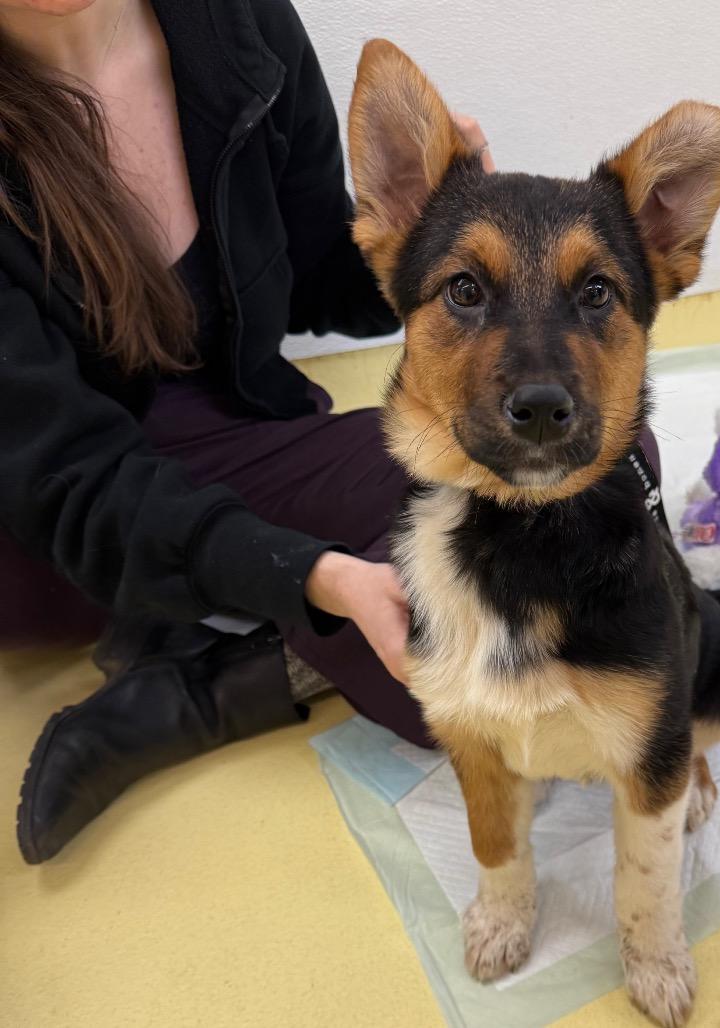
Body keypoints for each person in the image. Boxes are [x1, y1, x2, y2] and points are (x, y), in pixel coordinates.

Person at [0, 0, 495, 864]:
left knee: (579, 479)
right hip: (47, 516)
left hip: (234, 423)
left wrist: (434, 245)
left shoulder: (236, 21)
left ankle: (220, 666)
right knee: (482, 663)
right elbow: (66, 482)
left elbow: (313, 277)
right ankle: (204, 676)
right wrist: (315, 577)